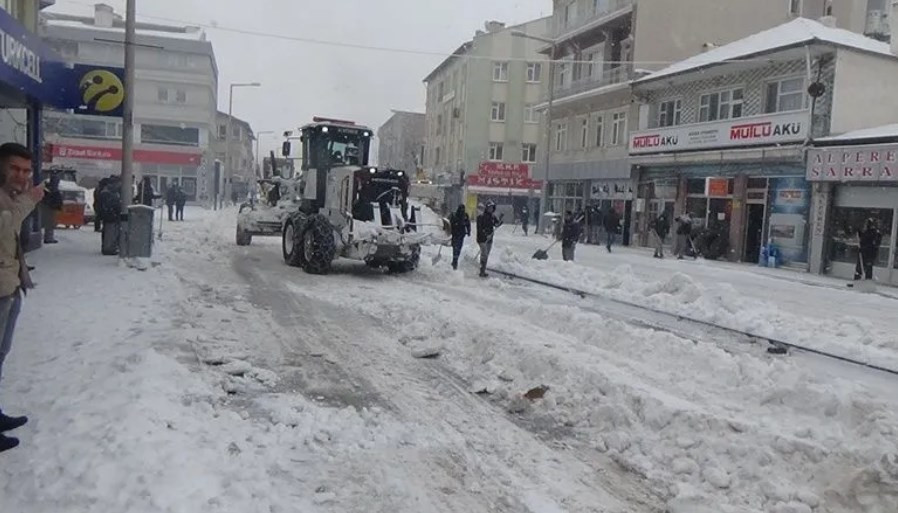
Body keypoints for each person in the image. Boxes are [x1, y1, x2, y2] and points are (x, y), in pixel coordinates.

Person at [0, 143, 45, 453]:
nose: (21, 175)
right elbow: (8, 222)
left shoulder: (9, 198)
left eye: (26, 171)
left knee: (1, 355)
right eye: (15, 169)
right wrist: (29, 198)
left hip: (9, 287)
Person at [476, 201, 503, 278]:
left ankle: (483, 268)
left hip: (490, 239)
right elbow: (479, 229)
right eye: (489, 208)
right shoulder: (481, 217)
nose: (490, 209)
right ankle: (482, 270)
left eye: (492, 208)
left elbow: (496, 224)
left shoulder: (492, 217)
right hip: (482, 239)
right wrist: (484, 235)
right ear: (487, 208)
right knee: (484, 253)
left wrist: (500, 221)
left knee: (486, 254)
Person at [40, 172, 63, 244]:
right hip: (50, 207)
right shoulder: (53, 189)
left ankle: (48, 237)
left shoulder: (49, 188)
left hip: (49, 206)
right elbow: (55, 198)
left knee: (49, 223)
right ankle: (48, 238)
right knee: (49, 223)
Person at [449, 205, 471, 270]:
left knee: (458, 249)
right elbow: (450, 224)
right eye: (461, 209)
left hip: (461, 235)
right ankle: (455, 261)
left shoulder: (465, 216)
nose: (462, 210)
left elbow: (468, 224)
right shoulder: (454, 215)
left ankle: (455, 260)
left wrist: (469, 231)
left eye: (463, 209)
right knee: (455, 249)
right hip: (455, 235)